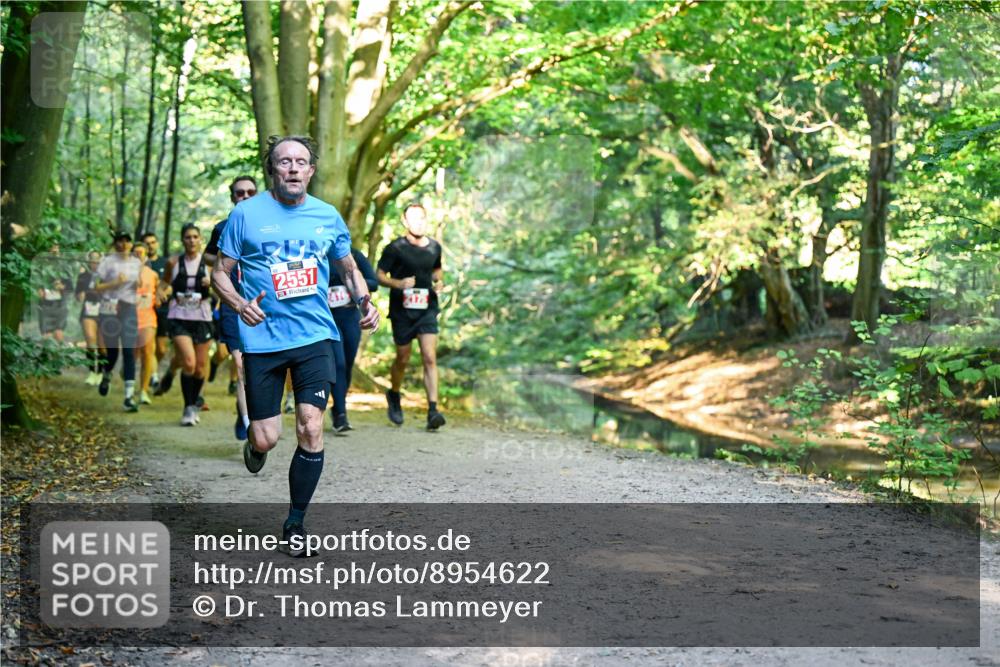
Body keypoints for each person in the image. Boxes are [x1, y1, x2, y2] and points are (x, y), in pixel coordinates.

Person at [212, 135, 379, 556]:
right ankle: (254, 444)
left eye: (300, 162)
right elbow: (220, 273)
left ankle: (295, 522)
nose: (291, 168)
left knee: (310, 424)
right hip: (263, 339)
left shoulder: (327, 216)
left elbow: (348, 267)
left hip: (315, 336)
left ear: (311, 170)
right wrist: (237, 304)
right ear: (273, 168)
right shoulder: (245, 215)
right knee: (267, 437)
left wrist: (365, 302)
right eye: (283, 161)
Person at [377, 203, 446, 430]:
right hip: (402, 310)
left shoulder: (434, 247)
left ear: (426, 220)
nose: (418, 222)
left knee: (429, 356)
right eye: (413, 218)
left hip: (426, 308)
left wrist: (439, 281)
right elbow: (379, 275)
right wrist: (398, 283)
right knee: (403, 358)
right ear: (405, 222)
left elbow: (436, 269)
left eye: (422, 218)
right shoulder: (395, 248)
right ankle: (394, 394)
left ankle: (433, 411)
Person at [204, 175, 257, 441]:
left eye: (250, 192)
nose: (245, 197)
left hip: (263, 305)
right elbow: (207, 255)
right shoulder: (222, 227)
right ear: (232, 197)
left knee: (258, 368)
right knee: (240, 364)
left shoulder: (268, 226)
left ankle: (247, 411)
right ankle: (249, 425)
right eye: (239, 193)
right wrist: (227, 259)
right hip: (232, 305)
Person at [164, 223, 214, 426]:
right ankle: (187, 408)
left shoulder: (210, 264)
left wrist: (212, 283)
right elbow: (164, 283)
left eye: (195, 237)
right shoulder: (173, 262)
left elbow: (222, 290)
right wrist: (160, 292)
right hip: (179, 317)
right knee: (189, 363)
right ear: (182, 240)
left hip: (202, 317)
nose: (192, 240)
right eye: (188, 237)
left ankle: (194, 405)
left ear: (200, 239)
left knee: (201, 369)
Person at [328, 247, 378, 433]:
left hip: (350, 317)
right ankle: (341, 415)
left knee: (347, 364)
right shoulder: (317, 253)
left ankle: (338, 406)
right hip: (327, 318)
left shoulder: (353, 255)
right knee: (338, 363)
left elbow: (374, 282)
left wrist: (352, 287)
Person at [93, 230, 143, 411]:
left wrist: (139, 282)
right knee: (112, 351)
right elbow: (96, 286)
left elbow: (140, 284)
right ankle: (106, 374)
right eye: (119, 241)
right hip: (110, 309)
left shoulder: (137, 262)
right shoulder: (107, 262)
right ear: (115, 244)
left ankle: (129, 396)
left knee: (129, 350)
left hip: (128, 308)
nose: (123, 244)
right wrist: (114, 283)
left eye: (126, 241)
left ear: (131, 244)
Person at [141, 232, 170, 392]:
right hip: (144, 310)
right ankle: (152, 375)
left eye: (153, 242)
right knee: (148, 347)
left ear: (157, 244)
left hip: (163, 310)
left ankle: (151, 369)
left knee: (161, 349)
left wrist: (165, 291)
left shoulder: (166, 263)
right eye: (147, 243)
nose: (150, 245)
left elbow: (172, 285)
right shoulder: (140, 264)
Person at [132, 242, 159, 405]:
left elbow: (161, 291)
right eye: (135, 253)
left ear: (146, 256)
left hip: (148, 318)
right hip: (129, 319)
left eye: (141, 253)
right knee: (133, 354)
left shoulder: (153, 274)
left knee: (147, 353)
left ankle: (143, 390)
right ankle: (126, 372)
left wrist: (164, 295)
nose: (138, 256)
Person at [75, 250, 104, 385]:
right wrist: (80, 295)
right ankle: (92, 371)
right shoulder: (83, 276)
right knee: (91, 342)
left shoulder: (107, 276)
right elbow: (77, 294)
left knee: (102, 346)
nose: (95, 263)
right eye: (92, 260)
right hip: (88, 311)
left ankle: (101, 372)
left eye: (97, 260)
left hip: (104, 311)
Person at [36, 243, 72, 343]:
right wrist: (38, 289)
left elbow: (70, 287)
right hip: (45, 304)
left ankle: (58, 356)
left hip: (60, 305)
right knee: (46, 335)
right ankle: (47, 356)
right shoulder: (39, 264)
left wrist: (62, 287)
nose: (53, 249)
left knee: (58, 334)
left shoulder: (64, 265)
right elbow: (35, 282)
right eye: (51, 246)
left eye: (56, 246)